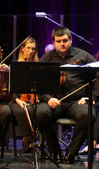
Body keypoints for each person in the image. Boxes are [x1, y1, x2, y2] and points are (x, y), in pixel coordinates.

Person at [36, 26, 99, 164]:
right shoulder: (48, 58)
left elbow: (98, 75)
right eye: (58, 41)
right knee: (41, 113)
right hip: (54, 101)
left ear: (70, 40)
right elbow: (38, 82)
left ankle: (71, 152)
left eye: (65, 40)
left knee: (88, 114)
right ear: (53, 42)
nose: (62, 44)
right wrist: (47, 98)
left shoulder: (83, 56)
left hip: (77, 102)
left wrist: (93, 98)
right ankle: (55, 151)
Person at [9, 37, 38, 151]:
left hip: (34, 98)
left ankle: (32, 138)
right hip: (18, 99)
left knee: (39, 111)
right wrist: (17, 100)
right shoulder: (16, 66)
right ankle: (27, 137)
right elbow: (12, 88)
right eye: (28, 48)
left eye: (33, 49)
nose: (31, 51)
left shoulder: (38, 65)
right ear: (22, 48)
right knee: (24, 110)